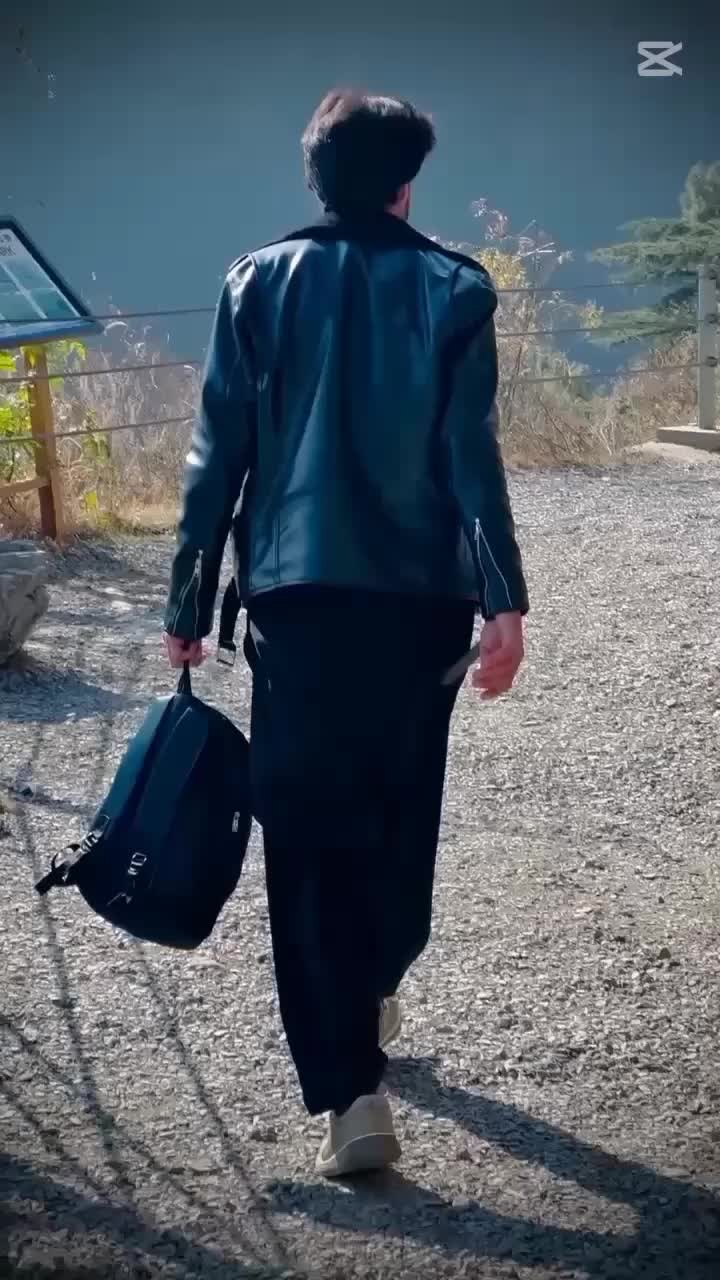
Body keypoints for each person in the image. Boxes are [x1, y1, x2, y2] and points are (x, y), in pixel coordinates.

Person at [164, 89, 529, 1178]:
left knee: (310, 835)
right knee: (400, 809)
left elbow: (217, 454)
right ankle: (377, 975)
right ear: (407, 184)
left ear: (315, 179)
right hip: (422, 602)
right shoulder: (458, 287)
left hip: (297, 599)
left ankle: (351, 1094)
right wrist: (504, 599)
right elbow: (471, 455)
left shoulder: (255, 281)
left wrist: (189, 602)